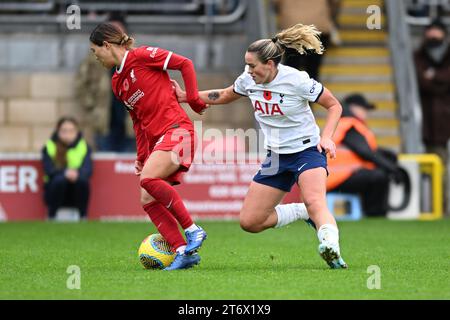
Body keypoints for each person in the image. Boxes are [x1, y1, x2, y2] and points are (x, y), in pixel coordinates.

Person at [173, 23, 347, 269]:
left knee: (315, 200)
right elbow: (223, 95)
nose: (248, 70)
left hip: (307, 151)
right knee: (250, 221)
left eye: (252, 65)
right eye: (247, 65)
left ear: (270, 64)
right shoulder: (248, 80)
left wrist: (327, 137)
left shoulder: (296, 80)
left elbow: (334, 105)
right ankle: (302, 213)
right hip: (276, 157)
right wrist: (186, 97)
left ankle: (330, 247)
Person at [89, 22, 208, 270]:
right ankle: (182, 251)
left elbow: (184, 63)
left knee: (149, 180)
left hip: (178, 131)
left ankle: (193, 230)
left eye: (95, 50)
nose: (95, 56)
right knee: (147, 198)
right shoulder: (117, 82)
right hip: (159, 140)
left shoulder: (142, 57)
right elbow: (138, 121)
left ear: (107, 45)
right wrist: (141, 157)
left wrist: (194, 99)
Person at [326, 94, 404, 217]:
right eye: (364, 108)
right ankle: (375, 214)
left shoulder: (342, 124)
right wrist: (392, 169)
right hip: (336, 178)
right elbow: (364, 152)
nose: (366, 112)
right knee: (378, 177)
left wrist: (387, 158)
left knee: (375, 174)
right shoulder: (349, 124)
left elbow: (366, 150)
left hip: (333, 177)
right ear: (353, 108)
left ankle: (372, 212)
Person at [272, 0, 341, 80]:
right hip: (317, 25)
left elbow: (275, 3)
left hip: (292, 25)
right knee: (313, 69)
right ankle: (312, 90)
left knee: (291, 67)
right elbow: (335, 2)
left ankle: (290, 89)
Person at [42, 117, 93, 221]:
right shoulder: (49, 146)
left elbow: (88, 170)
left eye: (71, 131)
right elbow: (49, 170)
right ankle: (51, 216)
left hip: (75, 190)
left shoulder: (84, 146)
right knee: (59, 180)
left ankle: (83, 216)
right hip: (54, 191)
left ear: (76, 132)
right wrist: (65, 173)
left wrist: (76, 173)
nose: (67, 135)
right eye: (64, 131)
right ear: (58, 131)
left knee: (82, 181)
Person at [414, 19, 450, 163]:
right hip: (425, 123)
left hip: (444, 121)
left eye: (437, 31)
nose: (434, 35)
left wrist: (433, 75)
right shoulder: (418, 55)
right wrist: (441, 78)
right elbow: (422, 81)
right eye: (431, 31)